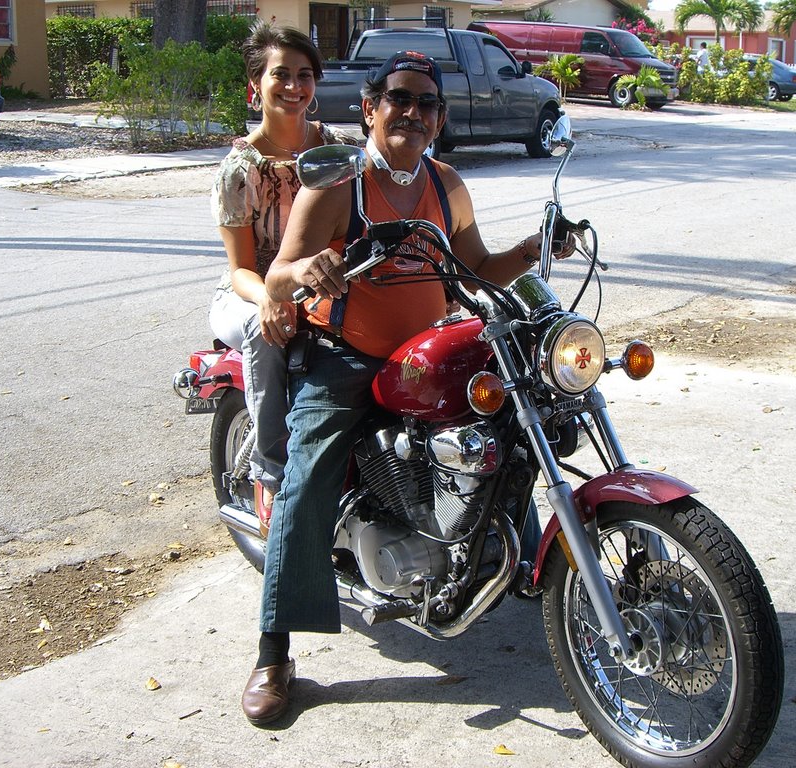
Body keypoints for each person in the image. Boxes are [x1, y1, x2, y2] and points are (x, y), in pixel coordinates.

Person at [239, 50, 572, 727]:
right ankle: (274, 651)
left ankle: (516, 560)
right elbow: (275, 277)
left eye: (426, 103)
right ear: (369, 108)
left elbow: (477, 266)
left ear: (439, 119)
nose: (412, 113)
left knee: (512, 421)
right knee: (307, 479)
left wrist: (540, 245)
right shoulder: (338, 184)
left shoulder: (445, 184)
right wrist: (312, 268)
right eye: (399, 99)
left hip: (428, 353)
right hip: (345, 357)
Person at [208, 22, 355, 539]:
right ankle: (274, 474)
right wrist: (272, 299)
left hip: (324, 283)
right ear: (256, 86)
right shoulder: (239, 170)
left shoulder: (338, 150)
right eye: (281, 75)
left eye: (304, 75)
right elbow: (241, 269)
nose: (294, 86)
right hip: (249, 293)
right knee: (263, 331)